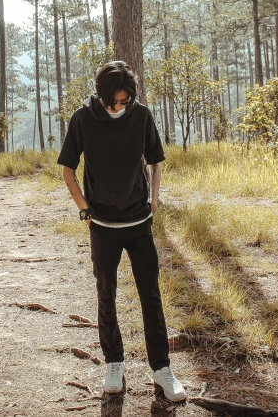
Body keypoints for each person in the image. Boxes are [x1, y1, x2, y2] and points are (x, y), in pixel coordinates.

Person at [57, 61, 186, 402]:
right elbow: (68, 169)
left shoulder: (140, 115)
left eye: (125, 100)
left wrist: (155, 200)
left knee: (151, 296)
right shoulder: (83, 119)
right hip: (102, 225)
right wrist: (83, 208)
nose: (120, 106)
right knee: (106, 296)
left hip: (139, 222)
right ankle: (114, 363)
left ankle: (162, 369)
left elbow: (155, 161)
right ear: (100, 94)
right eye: (115, 100)